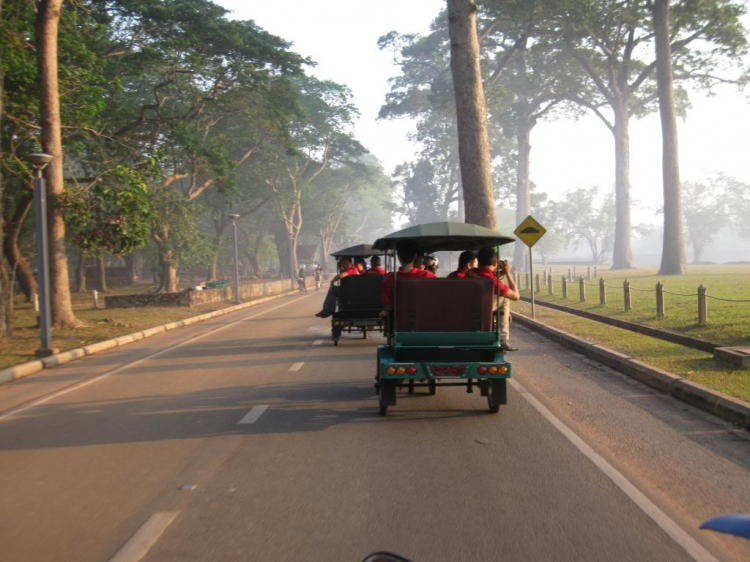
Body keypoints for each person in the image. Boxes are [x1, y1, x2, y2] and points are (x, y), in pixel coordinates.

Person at [465, 246, 520, 352]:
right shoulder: (492, 281)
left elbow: (484, 275)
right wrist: (508, 273)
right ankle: (503, 337)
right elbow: (516, 296)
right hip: (483, 309)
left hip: (469, 307)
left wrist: (499, 275)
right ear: (495, 262)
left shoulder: (470, 273)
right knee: (505, 298)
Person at [383, 240, 436, 311]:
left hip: (400, 320)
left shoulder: (390, 279)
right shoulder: (428, 275)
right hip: (426, 318)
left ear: (398, 257)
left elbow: (388, 307)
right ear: (415, 256)